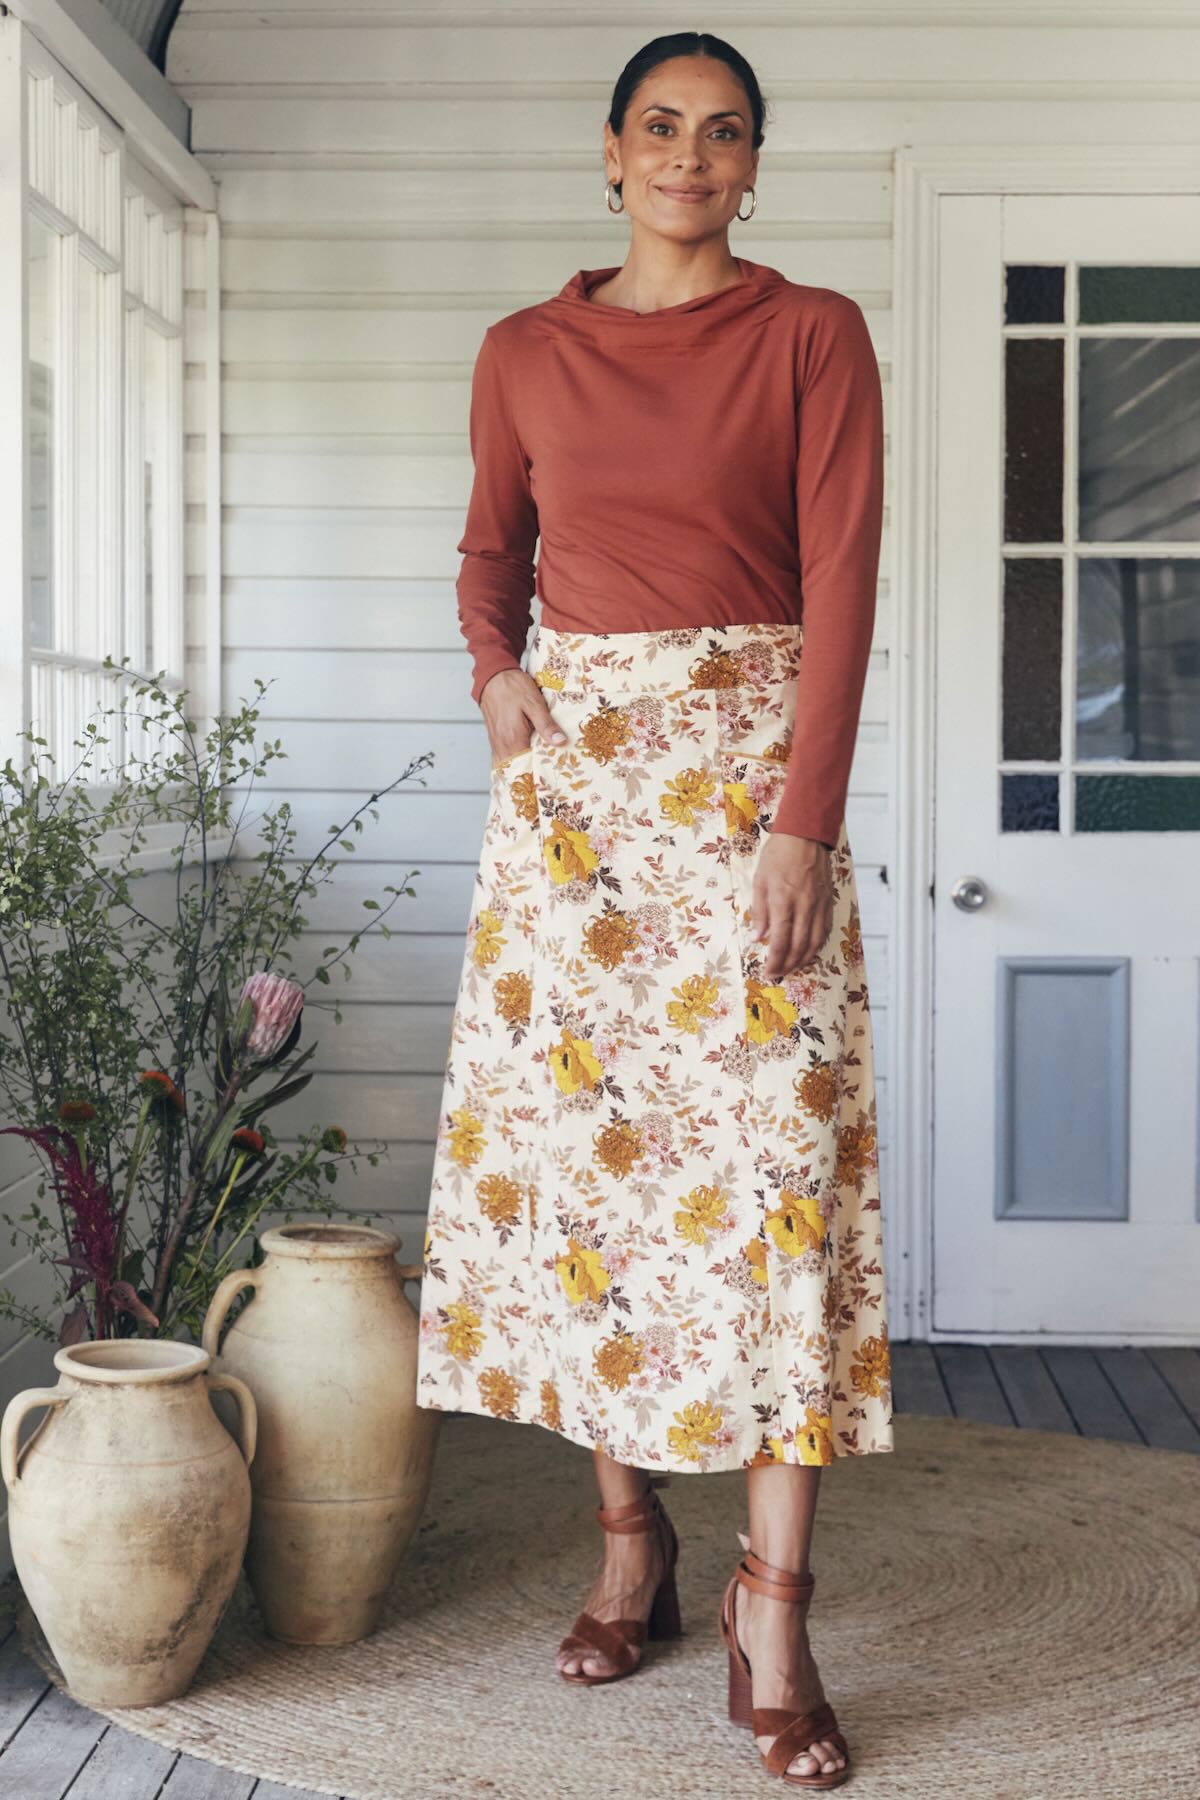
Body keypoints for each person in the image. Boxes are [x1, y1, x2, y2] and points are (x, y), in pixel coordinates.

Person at [415, 29, 893, 1791]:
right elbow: (491, 557)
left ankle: (779, 1611)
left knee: (776, 1189)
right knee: (587, 1186)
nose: (693, 155)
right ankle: (633, 1547)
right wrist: (497, 674)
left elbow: (844, 585)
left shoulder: (810, 334)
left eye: (727, 131)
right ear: (611, 152)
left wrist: (803, 828)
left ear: (754, 167)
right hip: (578, 826)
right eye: (663, 126)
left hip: (756, 807)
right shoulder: (524, 353)